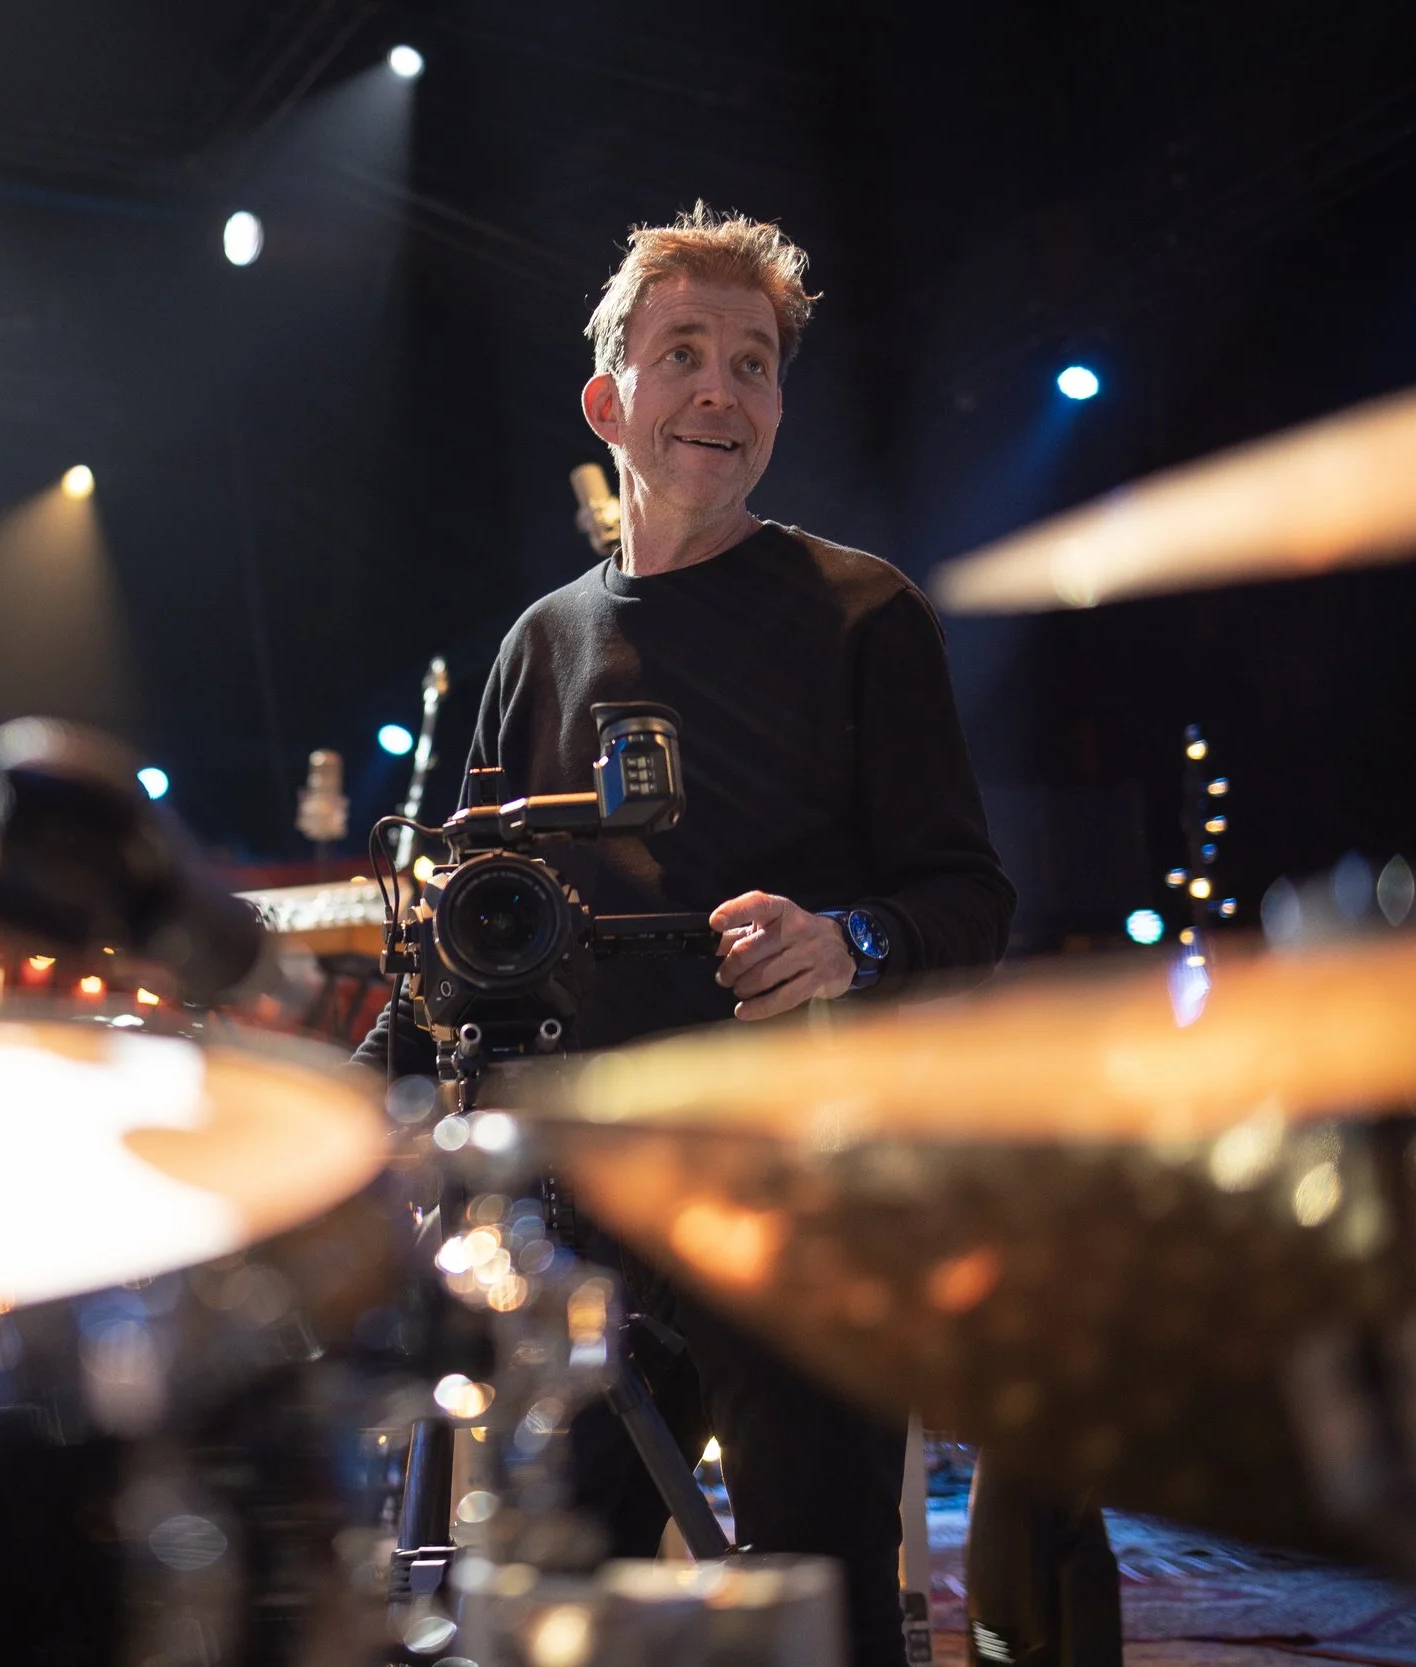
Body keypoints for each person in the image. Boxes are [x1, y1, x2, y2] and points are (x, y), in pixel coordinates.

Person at [357, 204, 1015, 1667]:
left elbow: (971, 898)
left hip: (801, 1196)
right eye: (685, 355)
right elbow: (472, 928)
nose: (723, 389)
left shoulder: (865, 614)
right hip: (585, 1211)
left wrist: (847, 938)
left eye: (755, 362)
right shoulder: (540, 643)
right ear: (609, 403)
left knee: (823, 1601)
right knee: (558, 1599)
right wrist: (350, 1108)